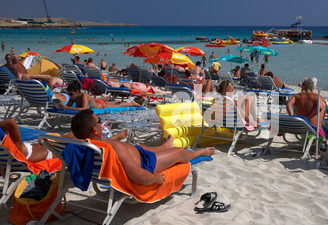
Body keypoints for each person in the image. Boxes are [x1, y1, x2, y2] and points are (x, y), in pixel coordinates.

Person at [70, 109, 215, 186]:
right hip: (146, 164)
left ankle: (165, 146)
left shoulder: (83, 146)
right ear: (95, 130)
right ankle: (198, 153)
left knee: (142, 147)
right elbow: (139, 176)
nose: (101, 124)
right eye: (99, 121)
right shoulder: (112, 146)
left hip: (140, 154)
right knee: (179, 152)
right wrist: (156, 178)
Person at [0, 118, 129, 163]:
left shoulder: (13, 148)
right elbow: (11, 122)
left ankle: (94, 130)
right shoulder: (17, 150)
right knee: (87, 142)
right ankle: (115, 137)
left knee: (74, 136)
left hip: (48, 145)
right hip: (53, 150)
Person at [58, 81, 140, 110]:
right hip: (95, 101)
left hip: (100, 105)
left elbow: (83, 109)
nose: (70, 95)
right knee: (114, 103)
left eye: (71, 93)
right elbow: (67, 107)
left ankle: (132, 103)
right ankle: (109, 99)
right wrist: (60, 107)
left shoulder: (84, 96)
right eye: (68, 94)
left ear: (77, 91)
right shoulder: (73, 97)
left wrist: (67, 107)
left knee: (118, 105)